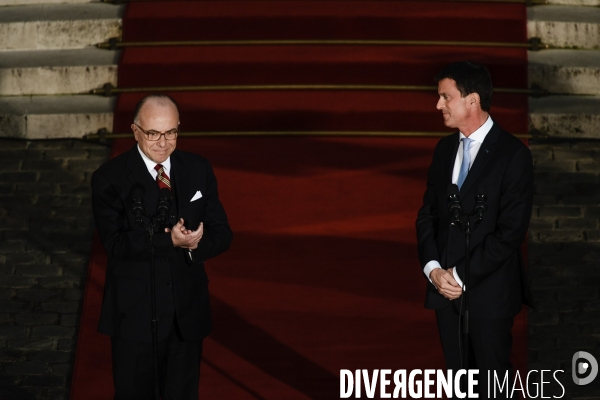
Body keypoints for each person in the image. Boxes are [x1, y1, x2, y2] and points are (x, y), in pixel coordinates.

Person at [91, 94, 233, 399]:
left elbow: (222, 232)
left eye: (171, 132)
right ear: (134, 130)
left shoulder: (197, 169)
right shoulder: (109, 178)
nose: (162, 142)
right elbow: (115, 243)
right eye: (153, 133)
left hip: (186, 314)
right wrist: (168, 241)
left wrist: (193, 245)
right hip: (135, 316)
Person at [415, 61, 533, 398]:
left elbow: (510, 232)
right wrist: (433, 270)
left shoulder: (513, 155)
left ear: (472, 101)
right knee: (459, 387)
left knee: (493, 388)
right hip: (444, 292)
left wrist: (461, 275)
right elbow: (427, 217)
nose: (438, 105)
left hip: (490, 295)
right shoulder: (443, 150)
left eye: (445, 97)